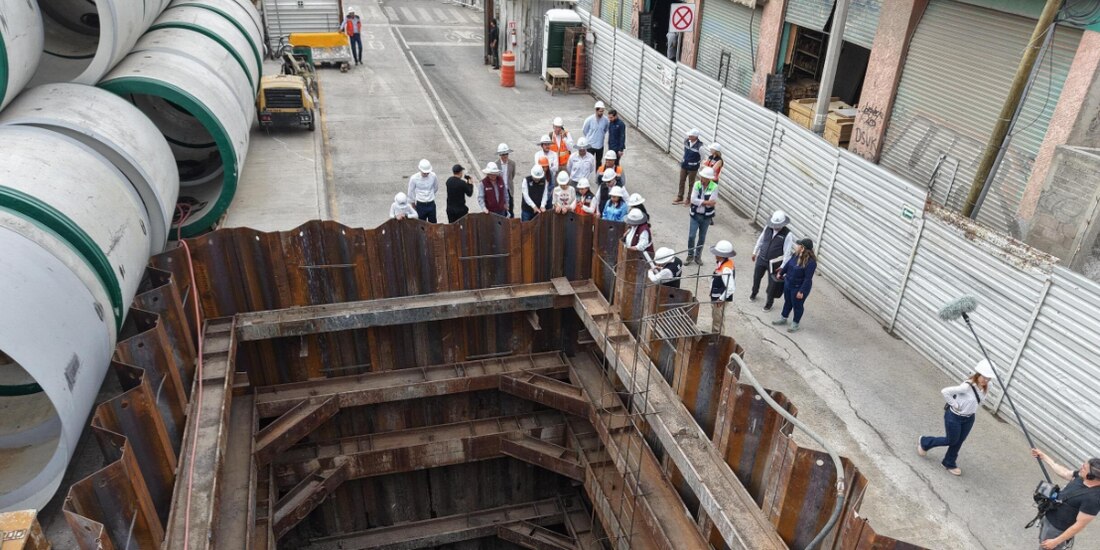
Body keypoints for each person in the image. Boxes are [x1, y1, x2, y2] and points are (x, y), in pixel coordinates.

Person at [917, 360, 995, 476]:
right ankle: (925, 442)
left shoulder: (988, 386)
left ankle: (949, 462)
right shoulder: (966, 387)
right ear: (978, 374)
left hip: (969, 418)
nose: (986, 380)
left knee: (959, 441)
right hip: (954, 417)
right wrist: (955, 404)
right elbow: (945, 391)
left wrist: (969, 408)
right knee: (951, 440)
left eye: (989, 378)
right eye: (984, 377)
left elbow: (980, 399)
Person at [1030, 449, 1100, 549]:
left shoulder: (1093, 499)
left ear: (1091, 476)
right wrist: (1044, 456)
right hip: (1049, 518)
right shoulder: (1081, 477)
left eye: (1084, 468)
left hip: (1057, 531)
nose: (1081, 468)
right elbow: (1065, 472)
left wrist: (1055, 541)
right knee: (1042, 542)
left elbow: (1079, 525)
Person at [750, 210, 794, 311]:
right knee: (756, 277)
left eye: (778, 225)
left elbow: (787, 253)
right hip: (761, 258)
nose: (775, 227)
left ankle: (769, 303)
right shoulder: (768, 228)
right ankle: (754, 292)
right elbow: (761, 240)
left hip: (774, 263)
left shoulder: (787, 235)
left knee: (772, 284)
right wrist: (755, 251)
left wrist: (782, 267)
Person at [771, 238, 817, 332]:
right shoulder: (795, 255)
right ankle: (783, 318)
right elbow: (788, 264)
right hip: (788, 283)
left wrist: (801, 291)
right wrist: (781, 272)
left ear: (802, 248)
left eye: (798, 245)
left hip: (798, 287)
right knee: (787, 301)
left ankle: (795, 323)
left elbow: (807, 279)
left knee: (797, 305)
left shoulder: (811, 263)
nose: (796, 246)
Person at [686, 166, 718, 266]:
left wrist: (700, 202)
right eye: (701, 176)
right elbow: (693, 200)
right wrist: (706, 202)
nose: (701, 178)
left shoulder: (714, 187)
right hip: (695, 215)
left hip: (706, 217)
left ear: (709, 179)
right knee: (691, 236)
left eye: (704, 177)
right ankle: (690, 255)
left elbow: (712, 202)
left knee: (702, 237)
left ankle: (697, 256)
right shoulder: (697, 184)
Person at [709, 240, 736, 334]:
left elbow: (731, 288)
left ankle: (717, 339)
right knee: (718, 318)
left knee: (718, 321)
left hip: (719, 299)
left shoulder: (726, 268)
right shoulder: (724, 263)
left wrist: (721, 299)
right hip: (717, 295)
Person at [676, 128, 703, 204]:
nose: (689, 136)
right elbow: (685, 151)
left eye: (690, 135)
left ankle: (689, 199)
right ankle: (680, 197)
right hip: (684, 165)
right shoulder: (686, 141)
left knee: (691, 184)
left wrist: (696, 164)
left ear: (695, 137)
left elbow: (702, 158)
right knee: (681, 181)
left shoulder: (700, 147)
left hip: (693, 168)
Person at [407, 159, 439, 223]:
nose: (426, 174)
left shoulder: (433, 176)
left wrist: (431, 195)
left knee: (433, 223)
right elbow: (410, 192)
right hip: (420, 204)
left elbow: (435, 187)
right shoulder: (414, 178)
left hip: (431, 204)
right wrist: (413, 204)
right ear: (420, 170)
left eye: (428, 173)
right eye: (424, 173)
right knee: (421, 224)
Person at [496, 143, 517, 217]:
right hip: (499, 190)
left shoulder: (512, 163)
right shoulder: (496, 164)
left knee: (510, 209)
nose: (505, 156)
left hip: (509, 190)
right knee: (500, 209)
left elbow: (512, 175)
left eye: (506, 154)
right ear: (500, 155)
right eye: (503, 154)